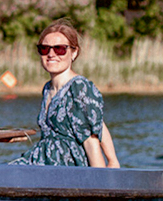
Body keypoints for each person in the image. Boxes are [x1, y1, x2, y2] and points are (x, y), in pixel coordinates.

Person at [10, 20, 109, 167]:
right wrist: (113, 159)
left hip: (67, 169)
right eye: (44, 49)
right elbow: (99, 123)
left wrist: (101, 183)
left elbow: (91, 140)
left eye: (60, 49)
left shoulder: (79, 87)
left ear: (74, 53)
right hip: (42, 162)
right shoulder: (47, 88)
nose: (51, 54)